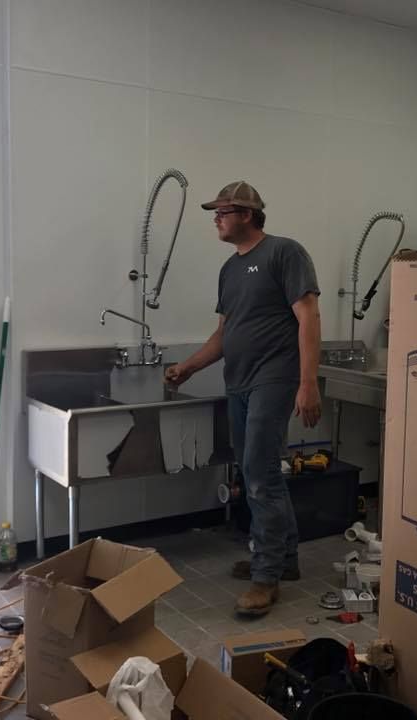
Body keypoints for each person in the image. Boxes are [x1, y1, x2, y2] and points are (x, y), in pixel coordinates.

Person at [165, 181, 322, 616]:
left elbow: (308, 315)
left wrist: (309, 383)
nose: (215, 217)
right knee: (260, 472)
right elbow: (224, 334)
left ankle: (265, 574)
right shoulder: (230, 270)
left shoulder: (284, 253)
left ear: (248, 214)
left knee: (258, 474)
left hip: (274, 379)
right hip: (239, 381)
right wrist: (190, 366)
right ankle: (281, 559)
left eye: (223, 211)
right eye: (214, 212)